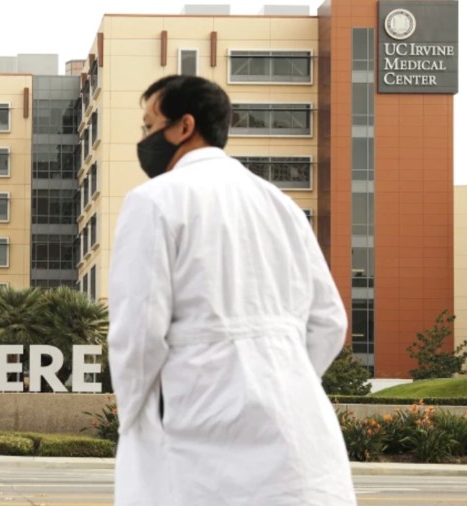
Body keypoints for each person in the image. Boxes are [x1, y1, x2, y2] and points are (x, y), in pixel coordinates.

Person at [107, 75, 356, 505]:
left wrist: (133, 417)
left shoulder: (154, 200)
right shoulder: (281, 204)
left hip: (197, 424)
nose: (145, 139)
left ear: (184, 127)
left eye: (149, 127)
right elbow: (329, 321)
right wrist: (279, 371)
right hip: (294, 419)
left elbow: (138, 331)